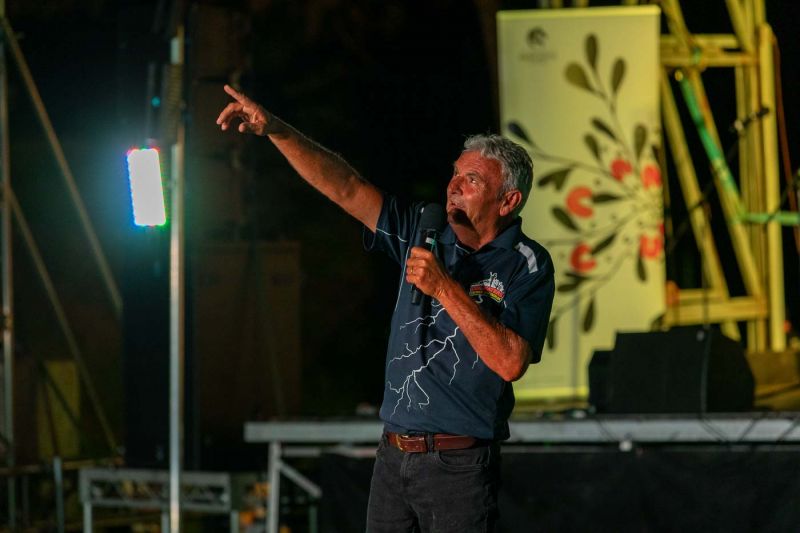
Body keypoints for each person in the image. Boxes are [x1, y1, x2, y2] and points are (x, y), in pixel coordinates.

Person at [217, 84, 555, 532]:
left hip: (459, 465)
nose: (453, 187)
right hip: (392, 456)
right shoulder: (422, 229)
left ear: (508, 201)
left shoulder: (526, 264)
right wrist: (276, 131)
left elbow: (511, 362)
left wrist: (444, 288)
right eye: (455, 174)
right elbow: (346, 188)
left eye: (472, 181)